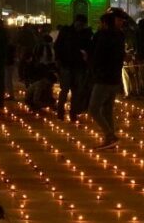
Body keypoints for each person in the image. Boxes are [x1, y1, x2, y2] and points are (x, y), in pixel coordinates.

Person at [88, 10, 126, 150]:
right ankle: (110, 140)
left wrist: (90, 61)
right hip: (115, 77)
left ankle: (110, 135)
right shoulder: (120, 36)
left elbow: (98, 56)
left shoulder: (103, 36)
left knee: (93, 109)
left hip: (103, 78)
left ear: (105, 23)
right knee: (107, 109)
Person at [54, 14, 92, 121]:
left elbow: (89, 48)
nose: (79, 26)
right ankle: (60, 111)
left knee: (76, 91)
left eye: (82, 25)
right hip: (66, 64)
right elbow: (58, 45)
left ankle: (73, 112)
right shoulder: (66, 31)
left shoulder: (86, 34)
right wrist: (58, 59)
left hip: (79, 66)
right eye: (79, 24)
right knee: (65, 89)